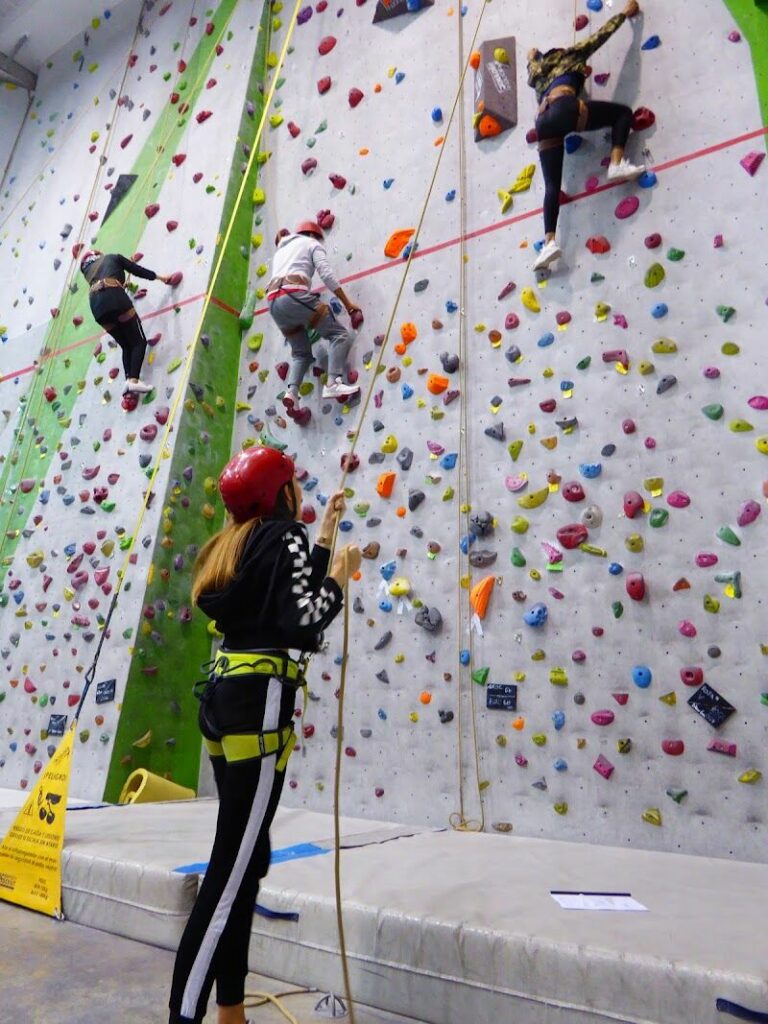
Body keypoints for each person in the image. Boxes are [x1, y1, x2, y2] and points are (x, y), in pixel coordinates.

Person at [168, 444, 361, 1024]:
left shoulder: (237, 543)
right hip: (260, 704)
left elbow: (277, 595)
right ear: (283, 495)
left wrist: (323, 535)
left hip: (225, 700)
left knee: (249, 858)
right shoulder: (282, 540)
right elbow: (301, 620)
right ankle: (183, 1017)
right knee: (229, 872)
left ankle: (231, 1010)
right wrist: (340, 577)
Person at [527, 0, 645, 271]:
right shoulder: (571, 55)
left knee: (552, 187)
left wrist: (532, 56)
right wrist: (624, 15)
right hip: (564, 108)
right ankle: (615, 163)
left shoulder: (539, 73)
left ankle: (549, 243)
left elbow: (532, 67)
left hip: (543, 122)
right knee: (622, 113)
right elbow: (600, 36)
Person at [267, 222, 362, 423]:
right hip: (293, 295)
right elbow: (326, 275)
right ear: (313, 234)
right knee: (339, 335)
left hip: (274, 304)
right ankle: (334, 382)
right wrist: (348, 304)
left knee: (301, 353)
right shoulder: (311, 243)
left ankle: (292, 392)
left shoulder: (280, 252)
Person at [79, 249, 173, 393]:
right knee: (139, 341)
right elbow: (137, 270)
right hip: (115, 298)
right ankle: (134, 380)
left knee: (126, 345)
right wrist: (161, 278)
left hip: (97, 309)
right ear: (98, 256)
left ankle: (128, 381)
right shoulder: (112, 257)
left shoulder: (91, 276)